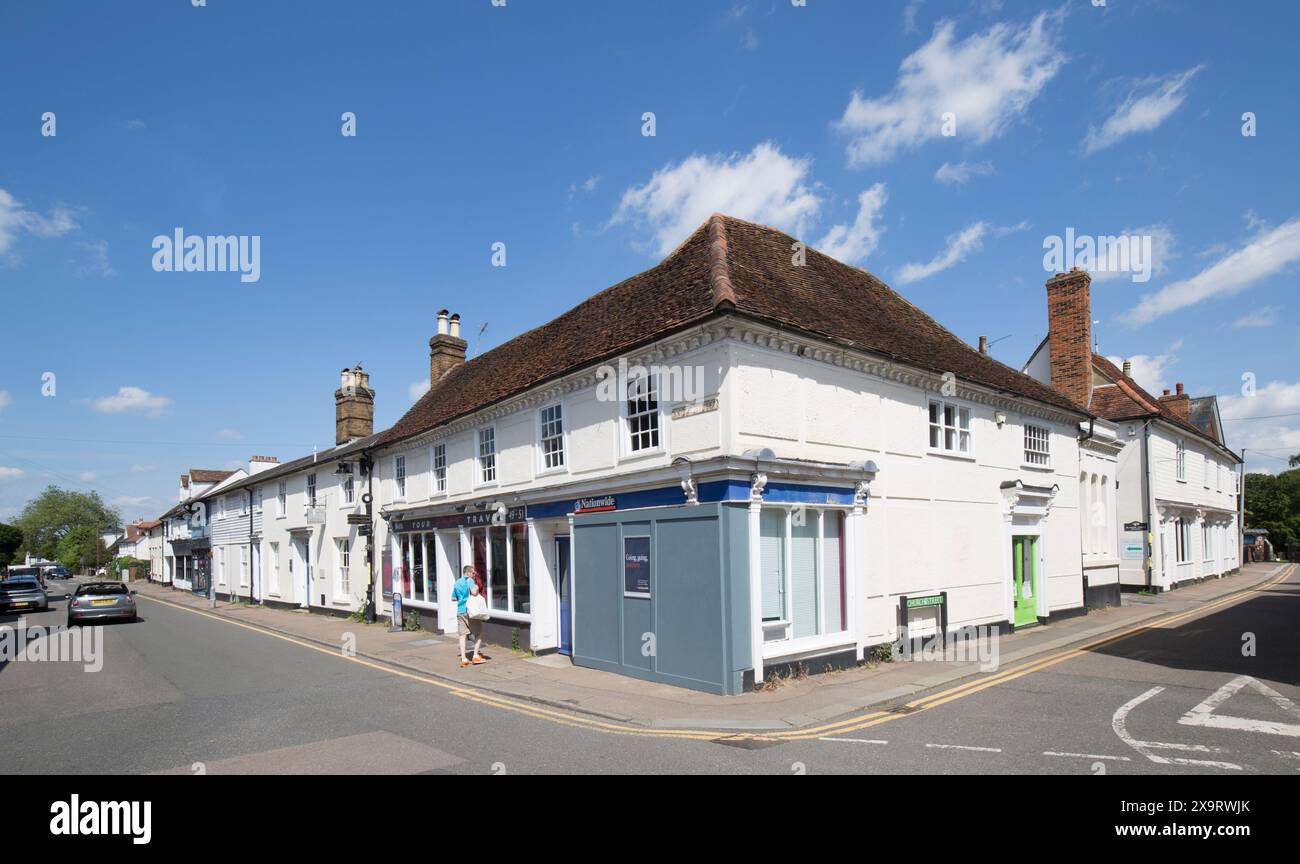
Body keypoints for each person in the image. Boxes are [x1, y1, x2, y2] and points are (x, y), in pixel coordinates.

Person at [453, 564, 485, 667]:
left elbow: (453, 598)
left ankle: (463, 658)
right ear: (468, 572)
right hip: (470, 611)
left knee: (462, 635)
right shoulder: (470, 580)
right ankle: (475, 656)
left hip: (460, 611)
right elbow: (474, 592)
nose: (474, 574)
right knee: (478, 633)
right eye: (473, 572)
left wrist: (462, 598)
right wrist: (475, 585)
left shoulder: (457, 582)